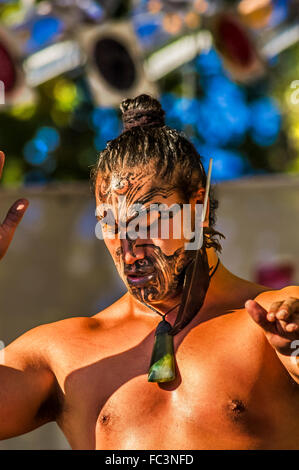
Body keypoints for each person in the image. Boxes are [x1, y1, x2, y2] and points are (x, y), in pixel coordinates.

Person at [0, 94, 299, 450]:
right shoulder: (60, 352)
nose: (128, 246)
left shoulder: (276, 319)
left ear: (197, 208)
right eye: (109, 223)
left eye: (148, 218)